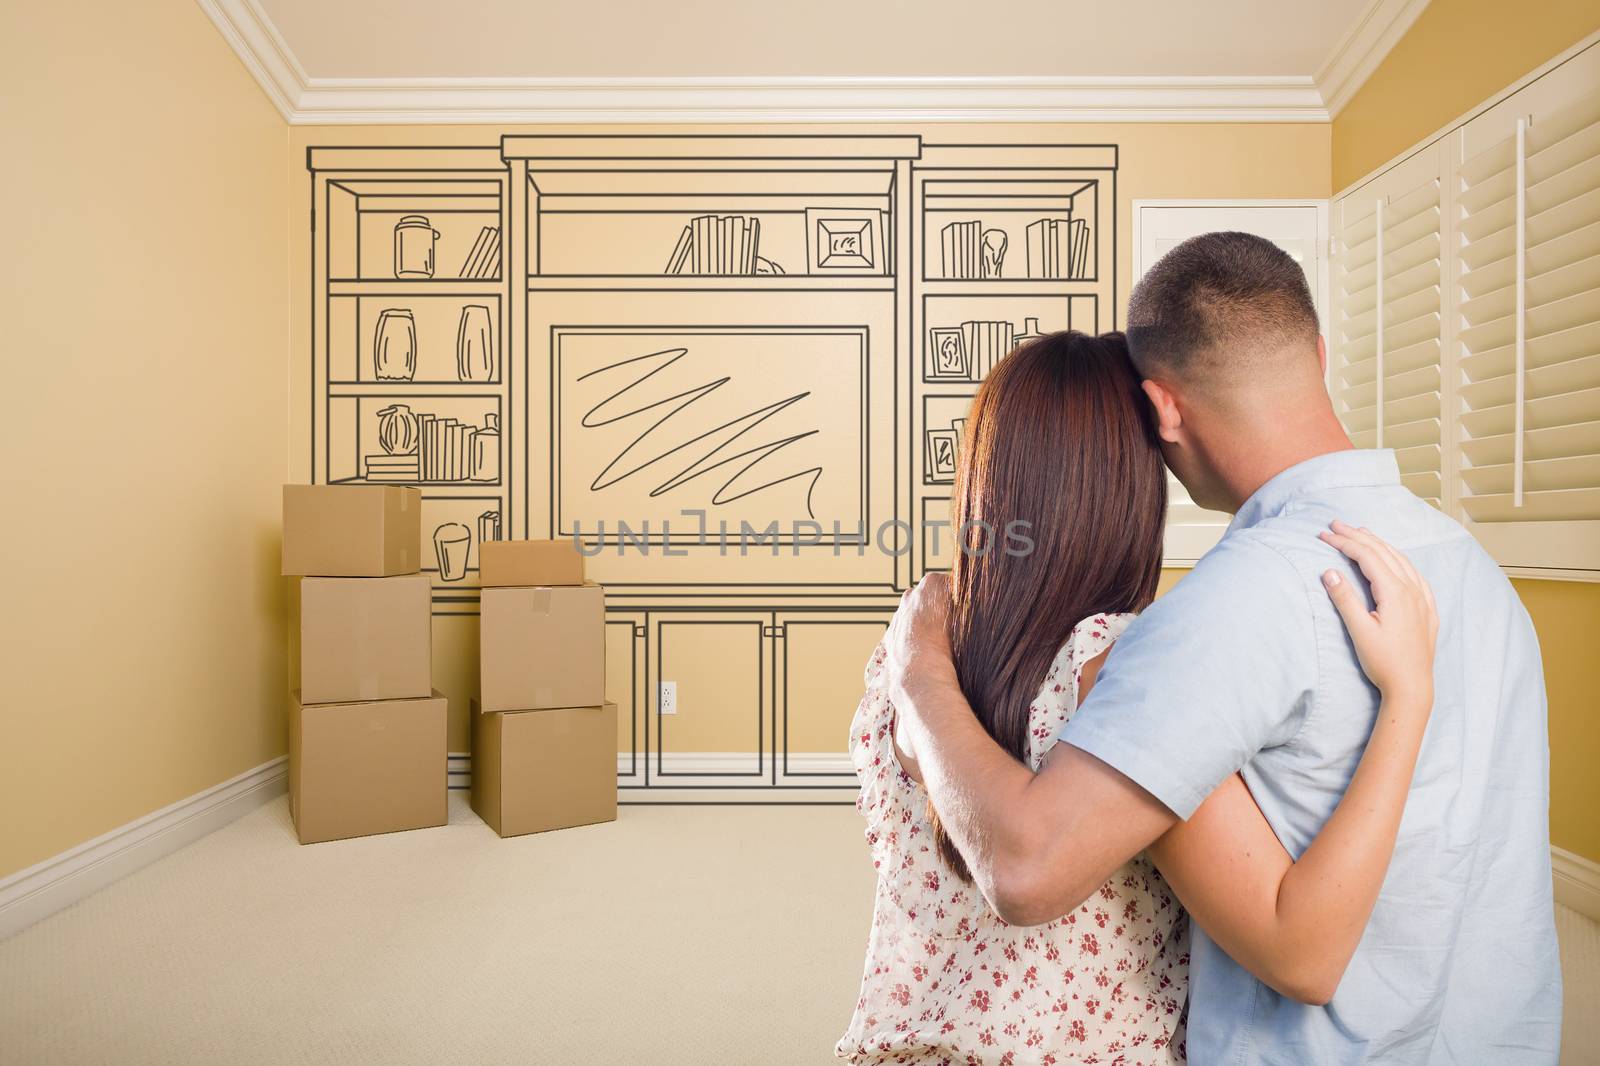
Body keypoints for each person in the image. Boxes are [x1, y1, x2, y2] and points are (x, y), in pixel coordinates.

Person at [882, 233, 1562, 1063]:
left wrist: (917, 671)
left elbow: (1027, 871)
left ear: (1162, 409)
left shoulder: (1230, 606)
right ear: (1315, 351)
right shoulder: (1468, 566)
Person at [838, 330, 1440, 1064]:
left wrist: (919, 672)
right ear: (1131, 489)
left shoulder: (910, 649)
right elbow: (1301, 951)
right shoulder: (1117, 669)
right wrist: (1409, 694)